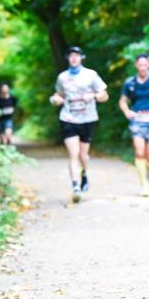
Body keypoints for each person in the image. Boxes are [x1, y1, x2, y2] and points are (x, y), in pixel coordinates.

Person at [50, 46, 109, 203]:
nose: (74, 58)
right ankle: (75, 186)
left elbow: (105, 95)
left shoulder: (91, 75)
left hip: (87, 118)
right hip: (68, 118)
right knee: (73, 153)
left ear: (82, 57)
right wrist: (54, 99)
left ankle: (84, 173)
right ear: (68, 58)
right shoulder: (62, 77)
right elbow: (58, 94)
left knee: (83, 155)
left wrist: (94, 96)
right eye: (71, 56)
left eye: (77, 55)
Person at [118, 53, 149, 197]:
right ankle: (144, 186)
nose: (142, 67)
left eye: (144, 64)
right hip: (137, 121)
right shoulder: (130, 82)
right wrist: (127, 111)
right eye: (139, 65)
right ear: (136, 65)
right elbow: (122, 100)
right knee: (140, 152)